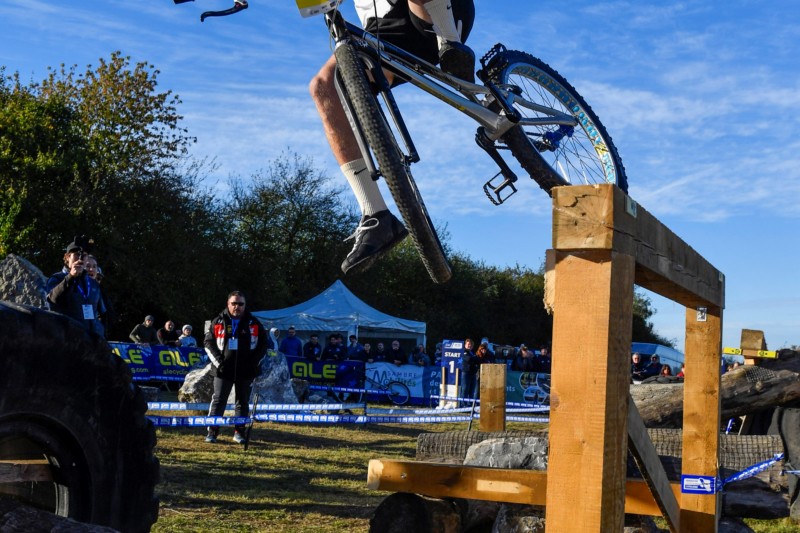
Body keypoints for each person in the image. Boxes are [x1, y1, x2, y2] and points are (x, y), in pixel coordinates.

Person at [309, 0, 476, 274]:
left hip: (433, 10)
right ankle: (375, 215)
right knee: (324, 87)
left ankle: (452, 47)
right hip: (382, 29)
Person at [204, 290, 267, 444]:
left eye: (240, 304)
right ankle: (212, 432)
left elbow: (263, 346)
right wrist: (219, 362)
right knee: (219, 401)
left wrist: (252, 364)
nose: (237, 307)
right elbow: (208, 343)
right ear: (228, 304)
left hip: (245, 371)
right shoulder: (218, 321)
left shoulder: (254, 323)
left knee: (243, 401)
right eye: (234, 303)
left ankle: (239, 432)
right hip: (223, 371)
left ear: (245, 305)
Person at [45, 238, 106, 337]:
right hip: (68, 338)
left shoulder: (92, 283)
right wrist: (71, 277)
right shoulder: (57, 278)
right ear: (67, 257)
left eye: (84, 255)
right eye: (77, 254)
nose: (80, 258)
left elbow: (102, 313)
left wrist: (100, 331)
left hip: (92, 340)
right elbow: (52, 300)